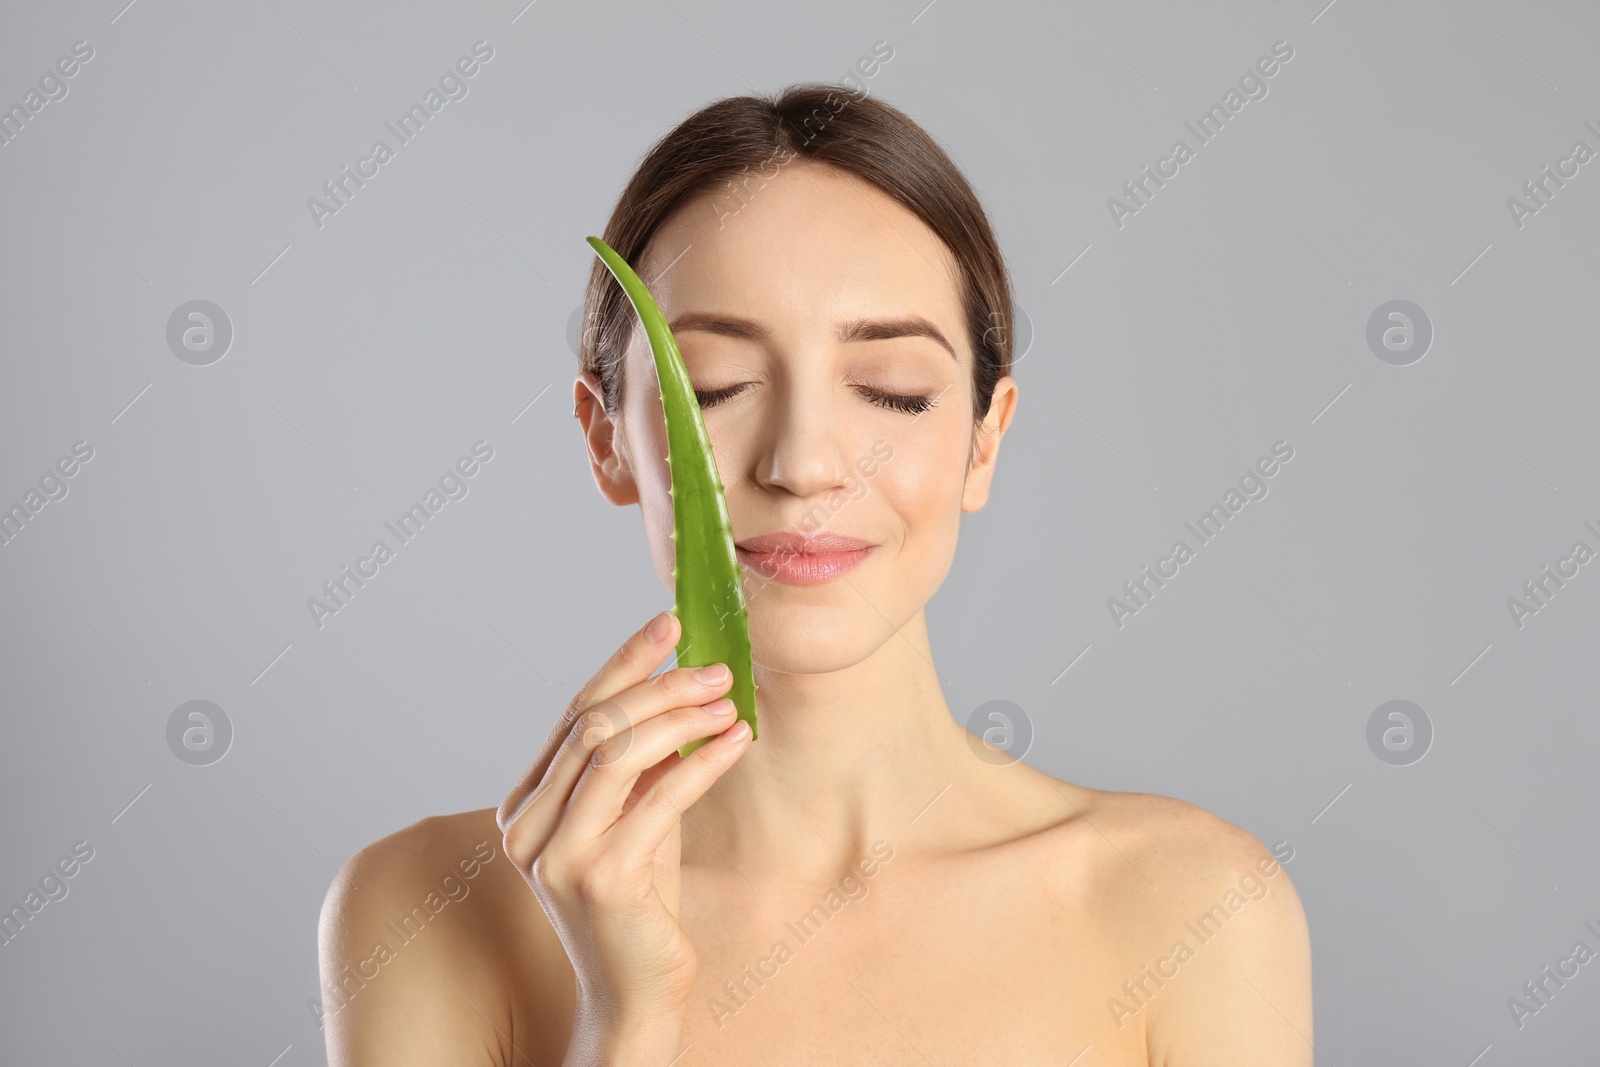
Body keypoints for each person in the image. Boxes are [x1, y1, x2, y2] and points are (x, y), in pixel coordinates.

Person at [318, 83, 1312, 1066]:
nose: (804, 464)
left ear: (984, 441)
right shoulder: (421, 911)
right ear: (605, 439)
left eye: (894, 390)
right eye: (713, 385)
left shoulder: (1194, 908)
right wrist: (626, 1021)